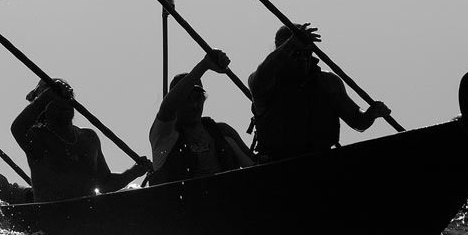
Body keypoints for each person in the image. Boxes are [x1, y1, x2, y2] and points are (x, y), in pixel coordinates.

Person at [249, 23, 391, 161]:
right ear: (281, 51)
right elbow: (263, 74)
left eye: (307, 53)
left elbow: (357, 120)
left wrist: (371, 114)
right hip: (278, 167)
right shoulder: (265, 83)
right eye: (296, 54)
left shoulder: (328, 82)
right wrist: (292, 43)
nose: (303, 59)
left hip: (322, 162)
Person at [11, 78, 150, 202]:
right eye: (55, 102)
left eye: (67, 99)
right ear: (44, 107)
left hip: (87, 218)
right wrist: (46, 96)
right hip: (51, 219)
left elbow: (105, 183)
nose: (63, 104)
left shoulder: (89, 138)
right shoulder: (38, 138)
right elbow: (17, 128)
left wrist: (134, 172)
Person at [148, 50, 255, 186]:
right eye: (186, 99)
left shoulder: (222, 132)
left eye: (198, 98)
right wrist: (205, 65)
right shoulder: (164, 136)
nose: (194, 105)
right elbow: (167, 108)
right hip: (183, 205)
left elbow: (257, 167)